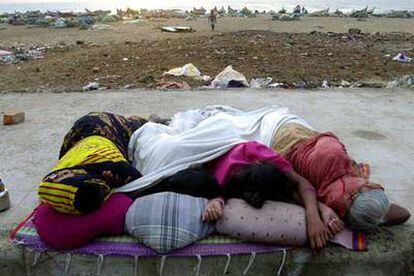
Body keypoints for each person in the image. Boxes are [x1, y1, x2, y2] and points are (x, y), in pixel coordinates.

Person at [271, 120, 411, 231]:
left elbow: (404, 214)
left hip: (295, 137)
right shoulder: (332, 156)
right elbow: (403, 214)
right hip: (284, 134)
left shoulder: (339, 196)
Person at [202, 140, 339, 250]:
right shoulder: (222, 179)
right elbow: (217, 197)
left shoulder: (257, 151)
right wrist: (215, 203)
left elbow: (299, 182)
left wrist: (317, 213)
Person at [38, 112, 147, 214]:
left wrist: (116, 182)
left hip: (101, 127)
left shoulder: (112, 163)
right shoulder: (54, 180)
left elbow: (144, 185)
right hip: (82, 134)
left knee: (139, 126)